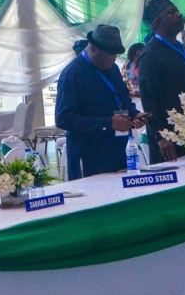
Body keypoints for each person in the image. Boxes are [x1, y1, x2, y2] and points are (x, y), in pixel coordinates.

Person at [55, 25, 148, 180]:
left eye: (116, 56)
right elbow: (63, 119)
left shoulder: (112, 69)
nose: (112, 61)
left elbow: (123, 100)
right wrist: (108, 123)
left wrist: (135, 114)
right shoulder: (73, 74)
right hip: (89, 155)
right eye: (109, 56)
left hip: (119, 149)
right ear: (93, 49)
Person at [138, 0, 185, 163]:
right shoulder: (151, 54)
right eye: (171, 13)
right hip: (170, 138)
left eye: (177, 10)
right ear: (157, 23)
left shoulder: (180, 46)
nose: (179, 14)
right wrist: (161, 136)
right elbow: (148, 97)